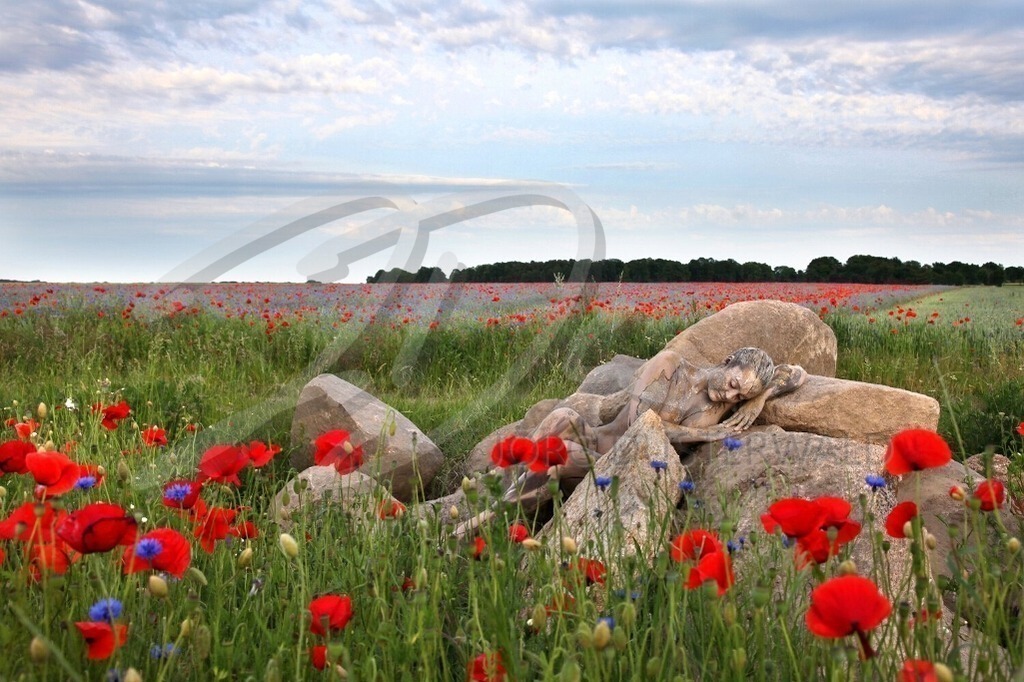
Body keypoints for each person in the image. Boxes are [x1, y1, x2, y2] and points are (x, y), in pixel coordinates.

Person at [502, 346, 807, 509]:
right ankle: (504, 489)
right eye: (733, 384)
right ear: (728, 362)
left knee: (564, 454)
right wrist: (704, 434)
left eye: (740, 396)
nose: (730, 396)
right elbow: (642, 423)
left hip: (622, 470)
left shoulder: (728, 403)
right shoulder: (672, 366)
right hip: (598, 443)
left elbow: (796, 373)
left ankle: (497, 515)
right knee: (562, 416)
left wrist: (759, 398)